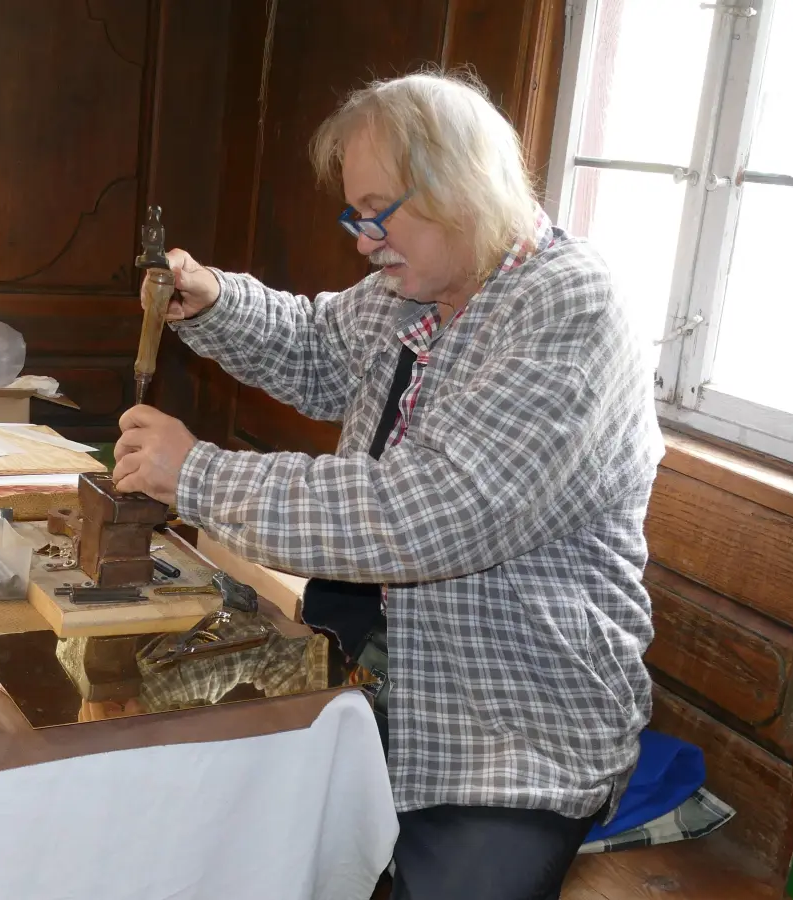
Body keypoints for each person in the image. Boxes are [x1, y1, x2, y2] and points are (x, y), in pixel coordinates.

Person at [112, 70, 663, 899]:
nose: (364, 240)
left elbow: (426, 515)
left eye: (378, 211)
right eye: (354, 214)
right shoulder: (416, 289)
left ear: (460, 188)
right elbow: (314, 345)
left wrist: (196, 473)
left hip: (508, 728)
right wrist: (215, 300)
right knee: (207, 827)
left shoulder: (569, 309)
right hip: (367, 673)